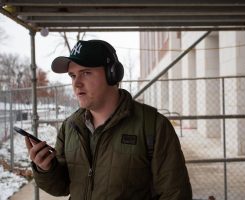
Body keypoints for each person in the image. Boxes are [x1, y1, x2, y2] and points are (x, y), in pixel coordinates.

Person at [25, 39, 192, 200]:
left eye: (86, 73)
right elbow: (62, 187)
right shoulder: (70, 127)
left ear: (113, 74)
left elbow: (175, 193)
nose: (76, 84)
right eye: (73, 75)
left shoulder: (153, 126)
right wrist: (46, 169)